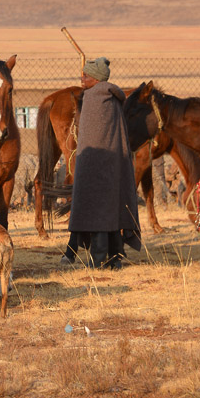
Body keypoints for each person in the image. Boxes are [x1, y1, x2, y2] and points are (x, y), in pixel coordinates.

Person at [64, 57, 141, 270]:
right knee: (111, 207)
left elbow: (91, 137)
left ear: (96, 79)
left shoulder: (92, 97)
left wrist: (88, 161)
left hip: (94, 165)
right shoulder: (113, 97)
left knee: (97, 207)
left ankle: (97, 260)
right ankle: (115, 257)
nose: (82, 78)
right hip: (112, 164)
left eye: (86, 75)